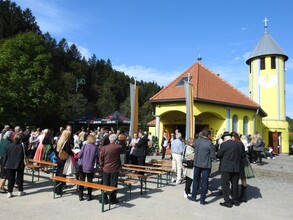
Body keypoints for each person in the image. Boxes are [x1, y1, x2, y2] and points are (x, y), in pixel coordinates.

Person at [217, 131, 246, 208]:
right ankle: (235, 200)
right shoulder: (239, 144)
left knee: (225, 185)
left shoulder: (224, 144)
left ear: (225, 138)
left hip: (226, 167)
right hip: (236, 167)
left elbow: (219, 155)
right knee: (235, 184)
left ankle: (227, 201)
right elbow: (243, 155)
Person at [188, 129, 216, 205]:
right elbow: (213, 156)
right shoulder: (210, 143)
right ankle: (202, 200)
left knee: (196, 180)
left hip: (197, 164)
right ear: (208, 135)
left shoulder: (197, 141)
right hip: (205, 165)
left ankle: (194, 197)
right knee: (204, 182)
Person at [99, 134, 125, 204]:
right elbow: (123, 151)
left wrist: (102, 165)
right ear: (116, 140)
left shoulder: (104, 148)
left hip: (106, 168)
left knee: (105, 183)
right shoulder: (118, 147)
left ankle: (104, 199)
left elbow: (101, 158)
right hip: (114, 168)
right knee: (113, 184)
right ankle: (112, 199)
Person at [4, 134, 26, 198]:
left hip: (9, 164)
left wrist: (5, 164)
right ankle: (20, 191)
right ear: (20, 139)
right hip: (19, 164)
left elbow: (6, 155)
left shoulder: (9, 146)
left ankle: (9, 192)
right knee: (20, 178)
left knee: (10, 179)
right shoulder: (22, 146)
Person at [78, 134, 99, 201]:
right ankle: (89, 196)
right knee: (90, 181)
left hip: (82, 165)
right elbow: (97, 157)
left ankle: (81, 195)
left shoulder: (84, 146)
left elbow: (79, 155)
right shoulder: (95, 148)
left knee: (82, 181)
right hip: (90, 166)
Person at [231, 132, 250, 203]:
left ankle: (241, 196)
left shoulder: (238, 143)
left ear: (235, 137)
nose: (231, 138)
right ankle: (243, 196)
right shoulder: (240, 143)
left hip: (240, 162)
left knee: (239, 177)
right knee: (243, 178)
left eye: (232, 137)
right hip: (243, 161)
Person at [55, 130, 73, 195]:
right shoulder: (67, 142)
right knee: (62, 175)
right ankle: (59, 190)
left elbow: (56, 150)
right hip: (63, 159)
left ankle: (56, 189)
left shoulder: (59, 140)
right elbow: (68, 151)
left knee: (58, 173)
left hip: (59, 158)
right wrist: (73, 153)